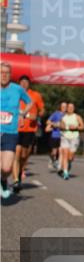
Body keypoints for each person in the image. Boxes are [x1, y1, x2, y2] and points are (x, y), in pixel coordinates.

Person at [1, 63, 32, 201]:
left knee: (6, 168)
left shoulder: (17, 89)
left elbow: (30, 102)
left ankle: (3, 180)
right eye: (1, 72)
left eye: (7, 72)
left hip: (10, 132)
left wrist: (23, 113)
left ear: (10, 75)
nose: (4, 75)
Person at [13, 74, 44, 191]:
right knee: (17, 153)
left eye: (26, 82)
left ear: (29, 84)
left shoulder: (35, 95)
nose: (24, 84)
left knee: (24, 155)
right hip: (15, 129)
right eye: (22, 82)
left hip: (30, 129)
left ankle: (20, 171)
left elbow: (42, 110)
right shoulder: (13, 94)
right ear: (18, 84)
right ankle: (16, 180)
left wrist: (37, 115)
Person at [58, 102, 84, 180]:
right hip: (65, 137)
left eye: (72, 107)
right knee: (65, 154)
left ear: (74, 108)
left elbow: (82, 127)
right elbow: (61, 126)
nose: (70, 109)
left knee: (70, 156)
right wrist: (62, 127)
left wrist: (76, 127)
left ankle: (69, 163)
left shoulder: (77, 117)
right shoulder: (63, 117)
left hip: (74, 137)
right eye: (69, 107)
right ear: (67, 109)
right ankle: (66, 173)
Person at [45, 102, 67, 171]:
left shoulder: (67, 115)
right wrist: (54, 124)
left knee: (61, 151)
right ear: (60, 107)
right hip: (55, 135)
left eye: (65, 107)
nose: (64, 108)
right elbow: (47, 121)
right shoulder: (56, 114)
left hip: (64, 136)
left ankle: (59, 164)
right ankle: (51, 159)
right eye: (63, 106)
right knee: (54, 152)